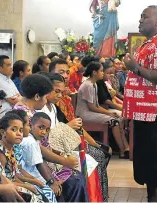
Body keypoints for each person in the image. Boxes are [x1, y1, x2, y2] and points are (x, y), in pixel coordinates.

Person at [123, 5, 157, 202]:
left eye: (144, 17)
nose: (140, 20)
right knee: (148, 170)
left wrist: (134, 68)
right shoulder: (148, 44)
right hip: (143, 114)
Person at [14, 75, 89, 202]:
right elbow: (38, 149)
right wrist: (63, 162)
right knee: (74, 181)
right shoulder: (24, 116)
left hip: (41, 160)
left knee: (77, 176)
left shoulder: (30, 111)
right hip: (31, 165)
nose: (45, 101)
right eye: (45, 97)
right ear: (37, 97)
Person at [38, 72, 110, 201]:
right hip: (51, 153)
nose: (60, 95)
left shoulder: (53, 107)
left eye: (61, 92)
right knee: (84, 169)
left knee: (98, 155)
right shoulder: (40, 109)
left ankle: (100, 198)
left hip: (62, 147)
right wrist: (69, 127)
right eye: (56, 92)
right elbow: (45, 136)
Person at [21, 112, 89, 202]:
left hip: (39, 176)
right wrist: (52, 182)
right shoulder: (30, 141)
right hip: (34, 178)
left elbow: (43, 158)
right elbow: (40, 163)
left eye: (47, 130)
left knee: (77, 178)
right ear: (31, 125)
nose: (43, 132)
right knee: (72, 183)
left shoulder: (34, 140)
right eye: (40, 127)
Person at [76, 62, 129, 158]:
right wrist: (108, 113)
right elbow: (92, 107)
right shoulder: (87, 85)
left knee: (118, 118)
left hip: (91, 112)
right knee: (114, 121)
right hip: (85, 114)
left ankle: (125, 147)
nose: (103, 73)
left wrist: (109, 113)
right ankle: (122, 150)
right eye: (101, 71)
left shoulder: (94, 84)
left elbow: (96, 105)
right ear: (94, 72)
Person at [0, 113, 54, 202]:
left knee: (43, 193)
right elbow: (2, 180)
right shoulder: (0, 152)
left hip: (15, 183)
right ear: (3, 132)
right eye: (14, 130)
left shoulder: (11, 149)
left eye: (20, 130)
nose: (19, 134)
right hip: (6, 189)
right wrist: (27, 185)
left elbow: (15, 174)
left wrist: (33, 181)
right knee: (37, 197)